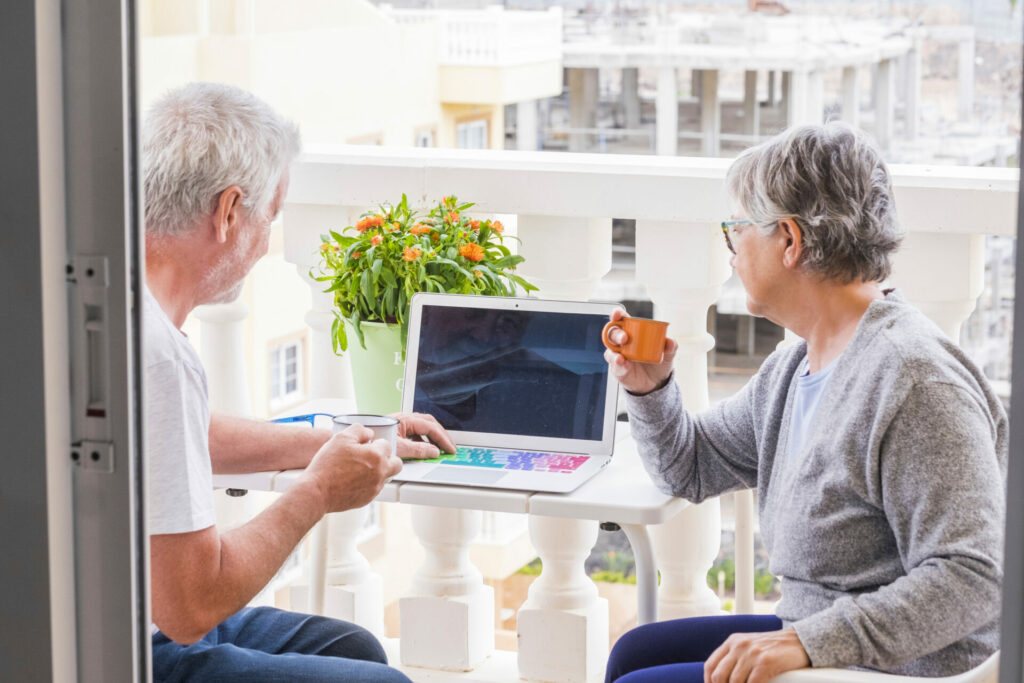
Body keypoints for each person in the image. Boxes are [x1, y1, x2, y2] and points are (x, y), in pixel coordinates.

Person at [603, 122, 1006, 683]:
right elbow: (689, 467)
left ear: (789, 241)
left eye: (734, 232)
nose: (731, 253)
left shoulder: (914, 381)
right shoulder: (796, 367)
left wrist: (809, 642)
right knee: (635, 653)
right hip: (816, 636)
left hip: (895, 670)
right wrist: (649, 388)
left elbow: (974, 576)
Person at [142, 82, 456, 682]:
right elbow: (189, 609)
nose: (267, 244)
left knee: (352, 649)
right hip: (132, 643)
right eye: (272, 216)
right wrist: (316, 492)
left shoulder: (122, 305)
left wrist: (350, 436)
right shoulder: (159, 355)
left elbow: (180, 437)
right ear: (230, 212)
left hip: (139, 612)